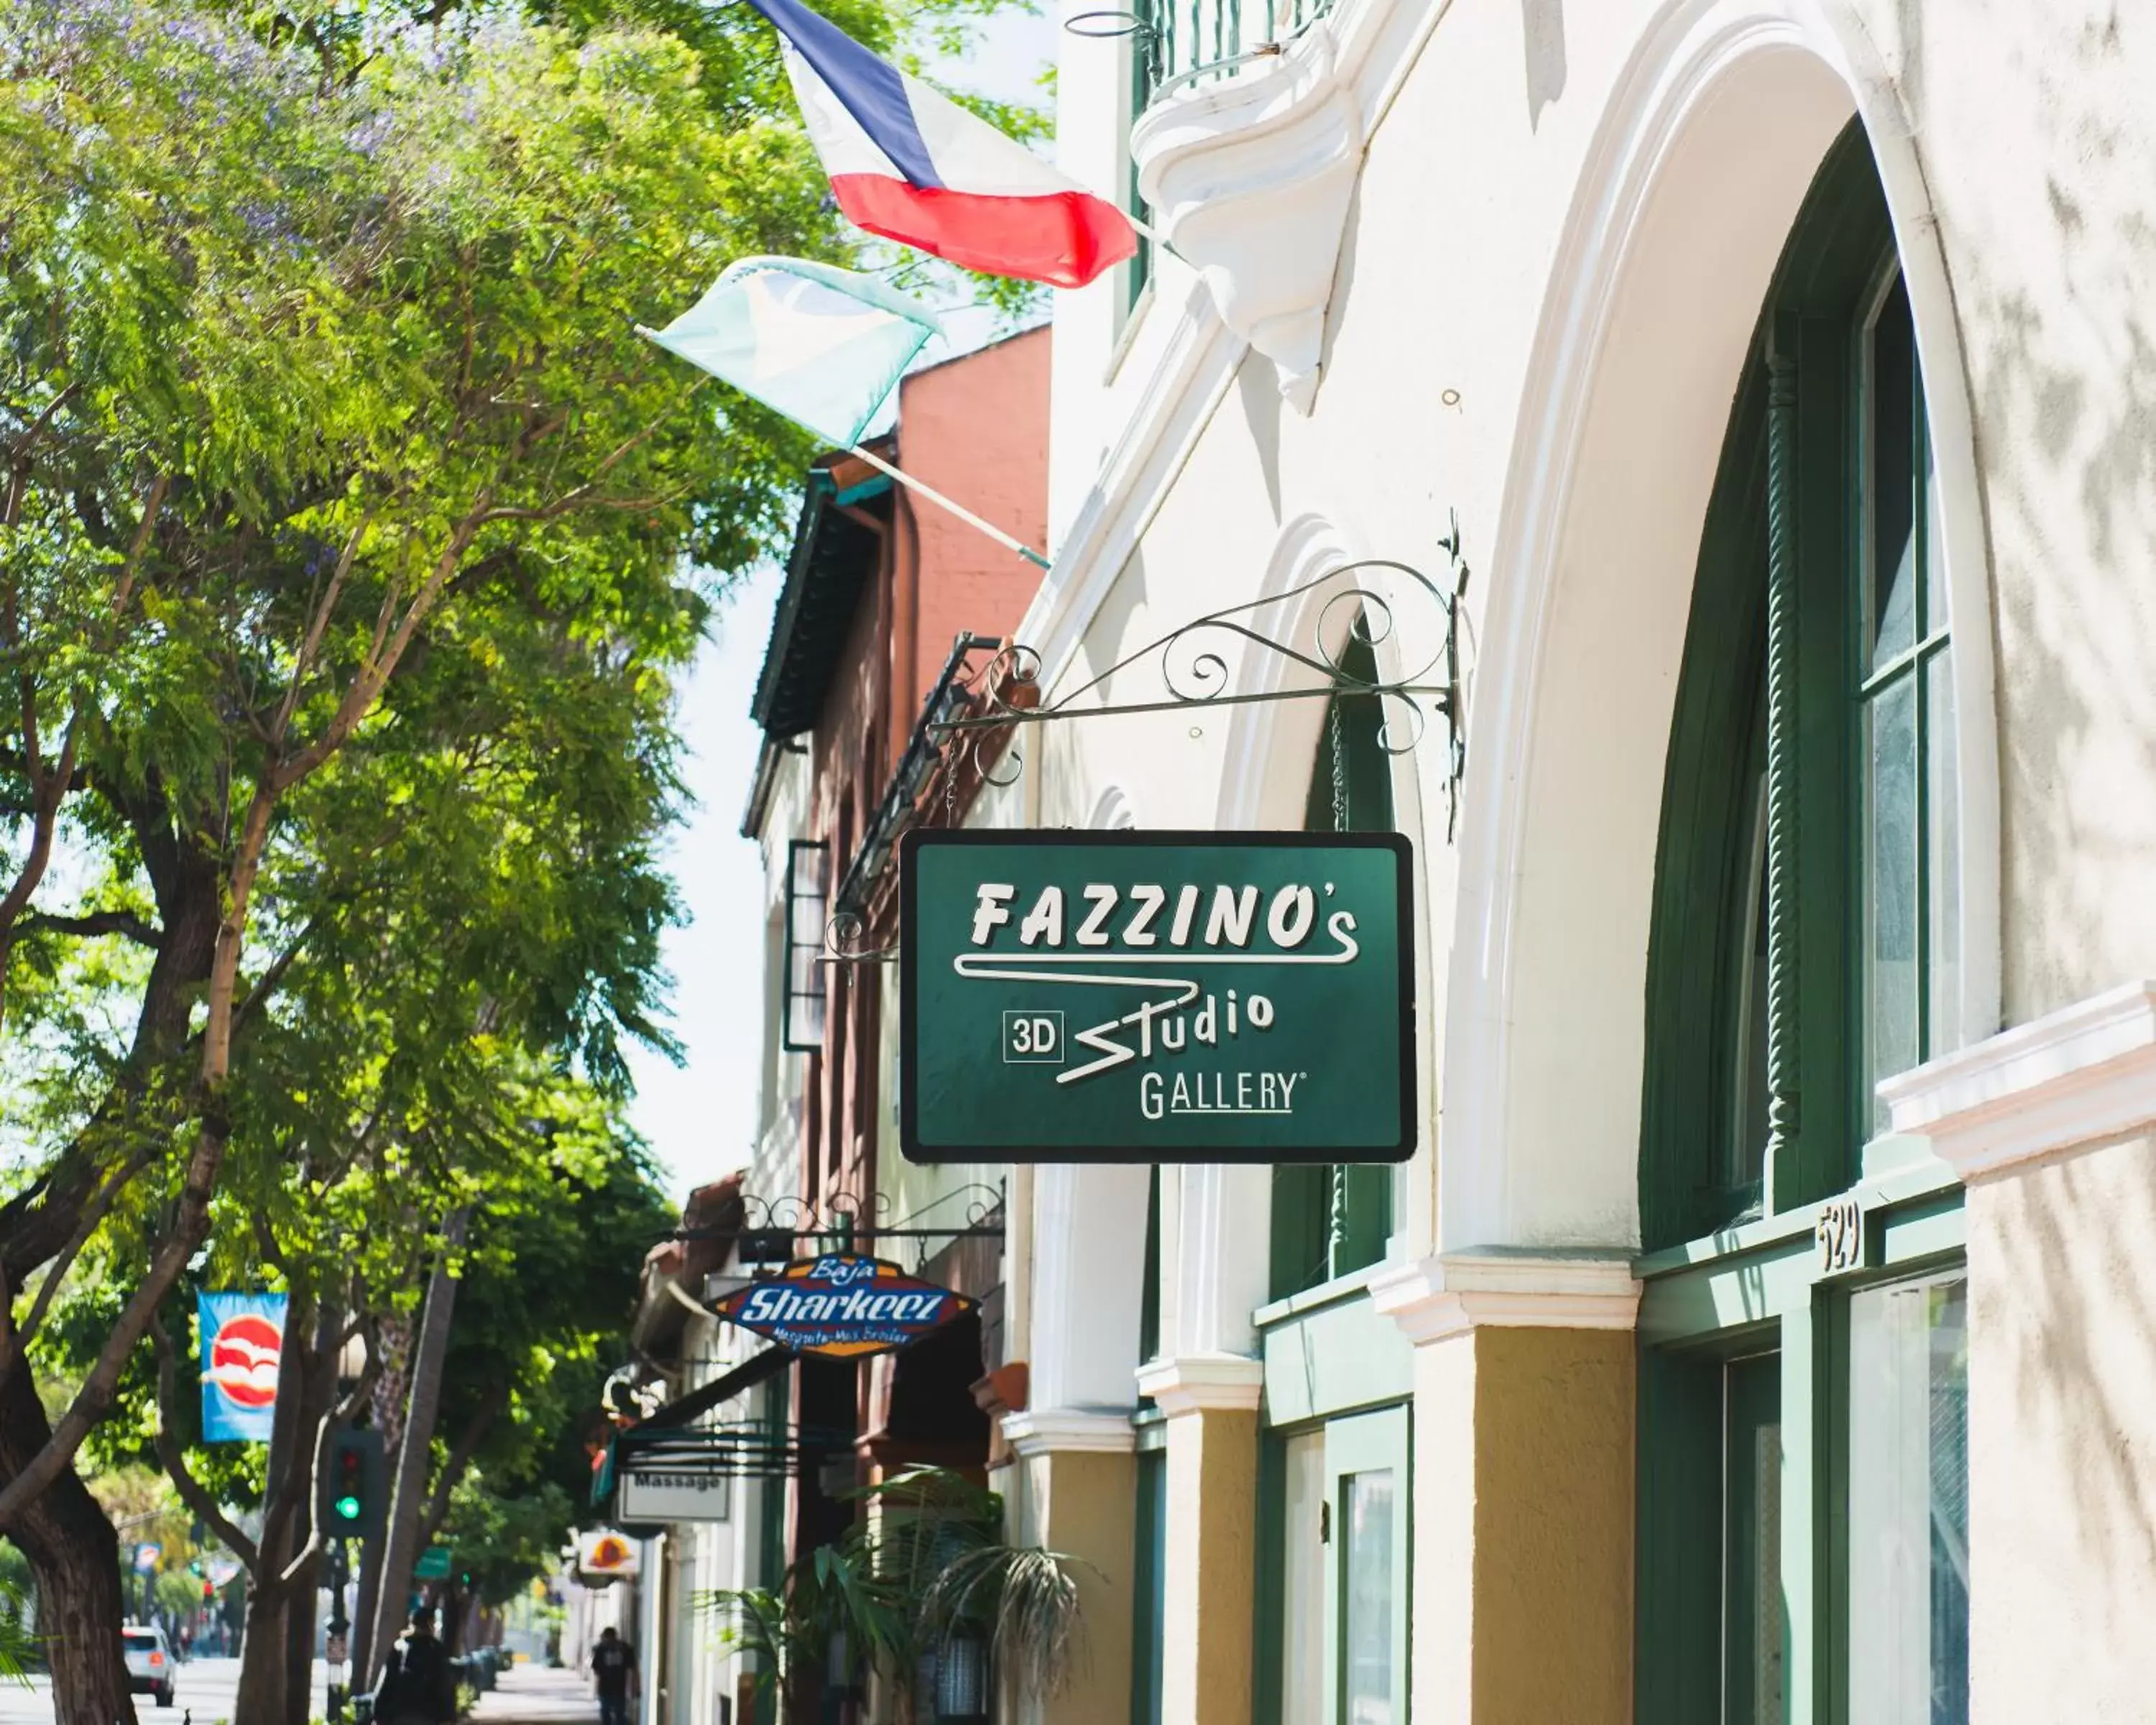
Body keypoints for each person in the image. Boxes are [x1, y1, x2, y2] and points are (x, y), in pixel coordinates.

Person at [388, 1606, 453, 1725]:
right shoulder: (436, 1650)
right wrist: (447, 1716)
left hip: (399, 1713)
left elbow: (387, 1680)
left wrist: (379, 1712)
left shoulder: (400, 1646)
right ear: (430, 1624)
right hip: (427, 1714)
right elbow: (444, 1684)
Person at [591, 1625, 639, 1725]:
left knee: (606, 1714)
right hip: (620, 1687)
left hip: (606, 1687)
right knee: (619, 1714)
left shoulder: (601, 1648)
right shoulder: (625, 1648)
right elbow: (633, 1668)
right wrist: (635, 1687)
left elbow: (596, 1669)